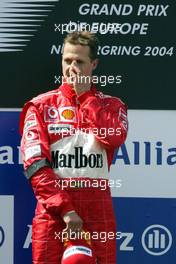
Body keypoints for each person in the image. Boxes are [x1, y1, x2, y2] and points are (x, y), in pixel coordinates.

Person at [20, 31, 128, 264]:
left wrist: (85, 98)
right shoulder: (40, 106)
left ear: (94, 63)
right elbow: (35, 164)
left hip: (98, 213)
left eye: (79, 61)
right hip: (54, 214)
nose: (72, 67)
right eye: (67, 60)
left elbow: (115, 137)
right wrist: (66, 210)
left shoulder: (112, 105)